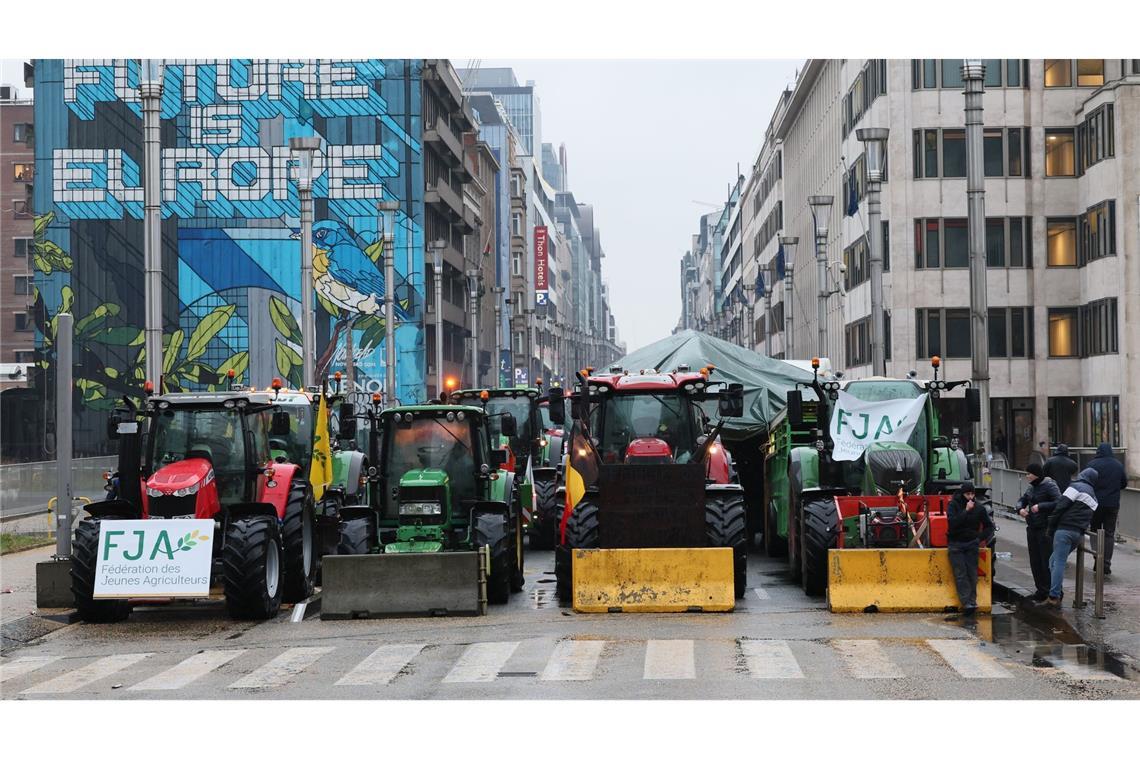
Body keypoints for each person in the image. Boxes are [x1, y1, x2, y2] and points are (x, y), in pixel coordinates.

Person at [1041, 467, 1099, 608]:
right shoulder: (1094, 497)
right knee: (1053, 561)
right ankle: (1056, 592)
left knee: (1058, 563)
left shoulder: (1076, 487)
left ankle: (1054, 597)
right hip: (1078, 534)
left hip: (1064, 530)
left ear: (1082, 475)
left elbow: (1061, 506)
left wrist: (1051, 526)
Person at [946, 481, 996, 617]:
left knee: (972, 574)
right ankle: (966, 602)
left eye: (972, 494)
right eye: (967, 494)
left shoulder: (979, 508)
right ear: (962, 494)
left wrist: (979, 538)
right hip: (956, 544)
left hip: (971, 544)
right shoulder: (953, 505)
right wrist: (966, 511)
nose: (970, 497)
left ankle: (972, 601)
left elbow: (989, 526)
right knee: (960, 574)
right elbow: (953, 524)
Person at [1016, 462, 1062, 601]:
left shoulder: (1049, 485)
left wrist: (1040, 506)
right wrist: (1020, 509)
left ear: (1036, 474)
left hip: (1045, 527)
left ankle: (1051, 590)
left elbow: (1059, 502)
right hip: (1032, 526)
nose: (1027, 476)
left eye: (1029, 474)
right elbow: (1022, 499)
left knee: (1046, 560)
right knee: (1034, 560)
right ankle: (1040, 590)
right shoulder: (1031, 487)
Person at [1087, 442, 1127, 576]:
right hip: (1112, 504)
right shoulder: (1118, 465)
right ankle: (1106, 564)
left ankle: (1096, 560)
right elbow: (1124, 483)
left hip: (1095, 504)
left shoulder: (1092, 464)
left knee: (1095, 530)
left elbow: (1086, 481)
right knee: (1109, 533)